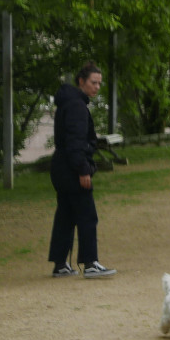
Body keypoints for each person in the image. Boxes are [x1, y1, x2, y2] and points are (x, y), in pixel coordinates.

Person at [48, 62, 116, 278]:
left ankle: (60, 264)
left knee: (66, 215)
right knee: (87, 215)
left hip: (60, 167)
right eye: (93, 83)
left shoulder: (67, 103)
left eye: (99, 84)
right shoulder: (77, 106)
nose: (96, 87)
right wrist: (83, 170)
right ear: (81, 81)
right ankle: (90, 263)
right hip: (71, 169)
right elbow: (75, 142)